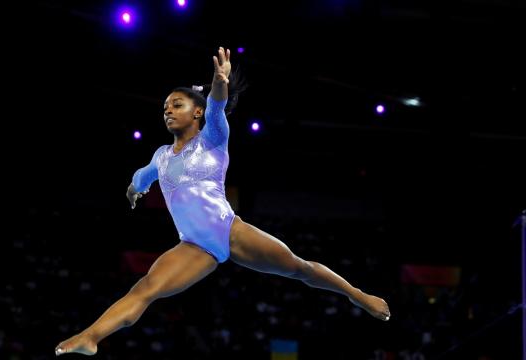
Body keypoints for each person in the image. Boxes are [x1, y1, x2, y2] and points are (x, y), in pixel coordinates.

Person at [55, 47, 390, 356]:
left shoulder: (213, 138)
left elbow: (217, 105)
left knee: (300, 268)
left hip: (230, 229)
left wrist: (219, 82)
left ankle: (358, 295)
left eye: (177, 104)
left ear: (197, 111)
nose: (168, 110)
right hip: (194, 246)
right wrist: (133, 189)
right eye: (165, 107)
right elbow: (142, 176)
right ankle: (91, 336)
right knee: (145, 289)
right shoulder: (160, 156)